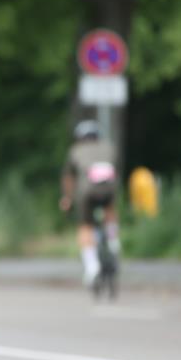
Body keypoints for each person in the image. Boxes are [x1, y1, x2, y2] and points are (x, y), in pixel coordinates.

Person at [59, 120, 119, 286]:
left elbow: (69, 177)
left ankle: (92, 267)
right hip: (109, 190)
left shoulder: (76, 150)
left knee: (85, 226)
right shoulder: (109, 147)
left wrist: (67, 199)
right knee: (110, 211)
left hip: (87, 193)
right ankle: (114, 244)